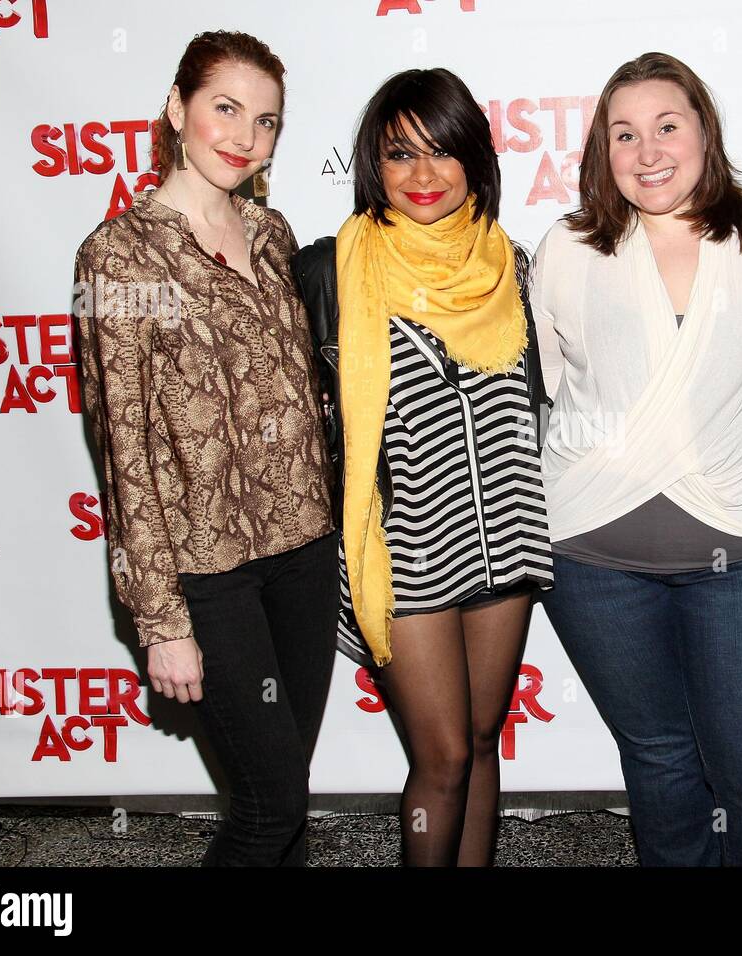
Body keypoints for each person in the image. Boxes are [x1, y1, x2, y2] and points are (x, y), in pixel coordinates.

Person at [532, 52, 742, 866]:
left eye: (667, 126)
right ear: (602, 150)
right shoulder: (568, 245)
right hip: (590, 557)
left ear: (705, 131)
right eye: (624, 134)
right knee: (660, 763)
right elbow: (555, 387)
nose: (648, 150)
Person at [73, 31, 337, 866]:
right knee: (269, 804)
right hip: (205, 568)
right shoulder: (117, 253)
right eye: (225, 108)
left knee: (287, 786)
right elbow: (123, 450)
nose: (244, 136)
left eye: (265, 121)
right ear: (175, 108)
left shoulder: (273, 233)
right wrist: (161, 620)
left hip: (306, 548)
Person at [291, 68, 553, 867]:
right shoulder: (332, 272)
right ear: (375, 165)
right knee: (439, 758)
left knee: (481, 739)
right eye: (401, 155)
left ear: (475, 159)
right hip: (400, 549)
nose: (424, 176)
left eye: (443, 153)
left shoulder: (512, 263)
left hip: (505, 535)